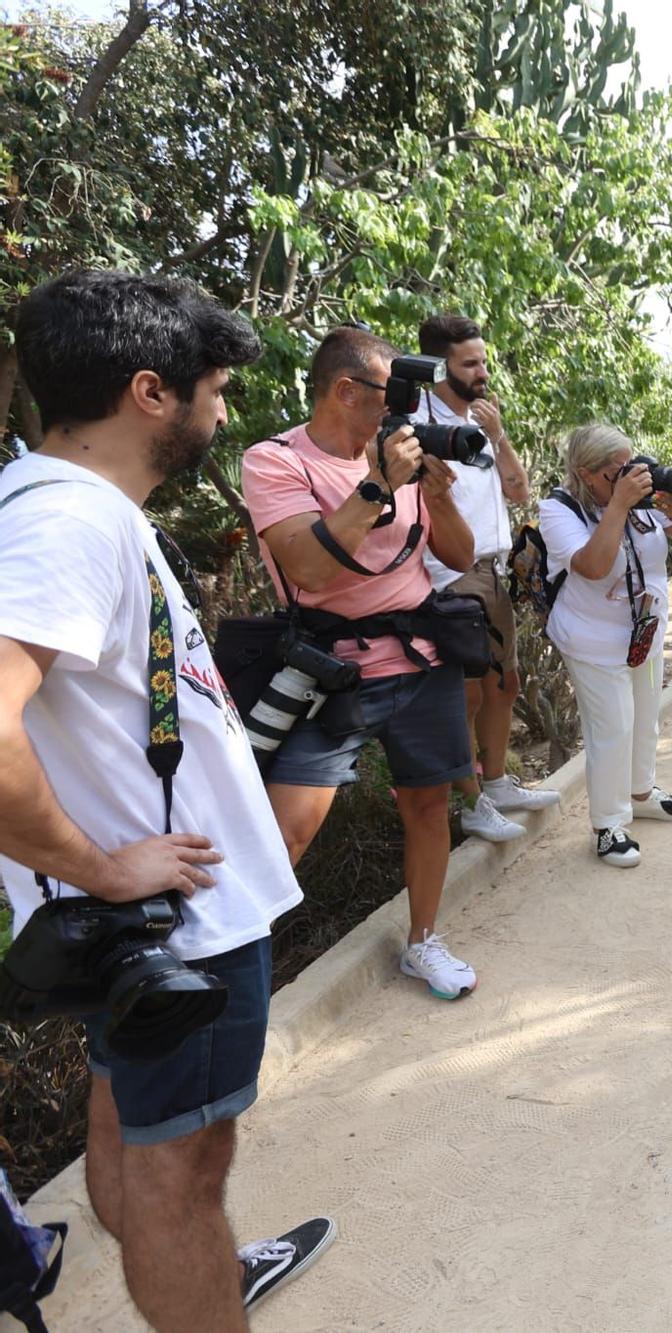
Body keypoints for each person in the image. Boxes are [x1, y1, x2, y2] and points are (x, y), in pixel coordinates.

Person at [1, 269, 334, 1329]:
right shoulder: (70, 522)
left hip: (142, 934)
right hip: (176, 924)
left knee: (143, 1157)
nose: (223, 412)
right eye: (217, 390)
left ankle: (191, 1261)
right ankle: (195, 1268)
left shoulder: (53, 506)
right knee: (183, 1182)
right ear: (151, 392)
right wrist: (99, 865)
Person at [242, 326, 483, 1001]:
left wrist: (434, 496)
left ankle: (423, 941)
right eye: (395, 394)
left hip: (419, 659)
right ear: (346, 391)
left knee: (429, 804)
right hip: (329, 673)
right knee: (285, 829)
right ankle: (230, 977)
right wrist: (378, 484)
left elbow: (459, 557)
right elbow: (309, 568)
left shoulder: (402, 459)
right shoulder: (275, 460)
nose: (406, 412)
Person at [410, 314, 559, 846]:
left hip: (493, 571)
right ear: (438, 366)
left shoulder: (482, 421)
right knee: (466, 697)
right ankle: (472, 802)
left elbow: (518, 491)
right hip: (447, 575)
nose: (482, 372)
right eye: (470, 363)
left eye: (484, 362)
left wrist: (497, 435)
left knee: (504, 684)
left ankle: (495, 786)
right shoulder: (415, 421)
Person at [537, 424, 672, 867]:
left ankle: (641, 792)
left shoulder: (640, 500)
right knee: (613, 728)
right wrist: (619, 506)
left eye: (630, 463)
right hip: (592, 639)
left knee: (646, 717)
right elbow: (592, 565)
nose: (629, 475)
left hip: (645, 630)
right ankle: (608, 824)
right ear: (585, 473)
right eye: (615, 471)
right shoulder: (558, 510)